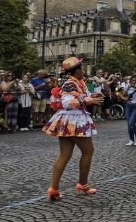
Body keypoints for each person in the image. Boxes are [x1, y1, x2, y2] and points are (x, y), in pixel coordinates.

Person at [42, 57, 104, 202]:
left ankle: (53, 189)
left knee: (65, 155)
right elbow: (67, 103)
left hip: (69, 120)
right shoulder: (70, 83)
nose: (83, 71)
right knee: (88, 152)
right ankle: (82, 184)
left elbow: (81, 97)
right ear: (77, 71)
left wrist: (92, 96)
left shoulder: (78, 82)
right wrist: (88, 100)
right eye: (82, 69)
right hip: (74, 120)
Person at [118, 75, 136, 146]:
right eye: (132, 80)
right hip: (128, 106)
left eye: (135, 80)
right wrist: (124, 93)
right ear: (130, 81)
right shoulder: (128, 87)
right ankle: (131, 140)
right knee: (129, 124)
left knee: (131, 123)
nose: (134, 82)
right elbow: (123, 95)